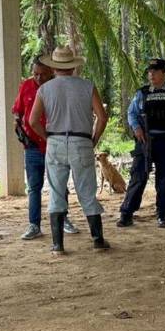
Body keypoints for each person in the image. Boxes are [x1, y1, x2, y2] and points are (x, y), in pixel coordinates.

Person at [28, 46, 110, 255]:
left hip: (55, 141)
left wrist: (48, 138)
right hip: (81, 140)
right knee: (87, 191)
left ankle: (58, 245)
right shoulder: (87, 86)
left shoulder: (45, 89)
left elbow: (33, 120)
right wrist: (93, 139)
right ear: (73, 67)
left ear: (54, 67)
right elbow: (102, 117)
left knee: (56, 192)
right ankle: (98, 240)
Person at [12, 57, 78, 240]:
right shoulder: (26, 86)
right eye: (35, 74)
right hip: (33, 146)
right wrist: (19, 128)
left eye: (42, 74)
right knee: (34, 187)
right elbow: (17, 110)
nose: (38, 78)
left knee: (60, 184)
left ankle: (63, 219)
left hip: (56, 143)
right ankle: (34, 225)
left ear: (52, 72)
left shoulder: (59, 87)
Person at [118, 58, 165, 229]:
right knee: (138, 176)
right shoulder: (142, 93)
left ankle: (162, 214)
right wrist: (136, 128)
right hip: (144, 140)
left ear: (164, 72)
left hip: (164, 140)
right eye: (149, 71)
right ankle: (126, 213)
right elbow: (131, 113)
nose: (151, 74)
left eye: (155, 71)